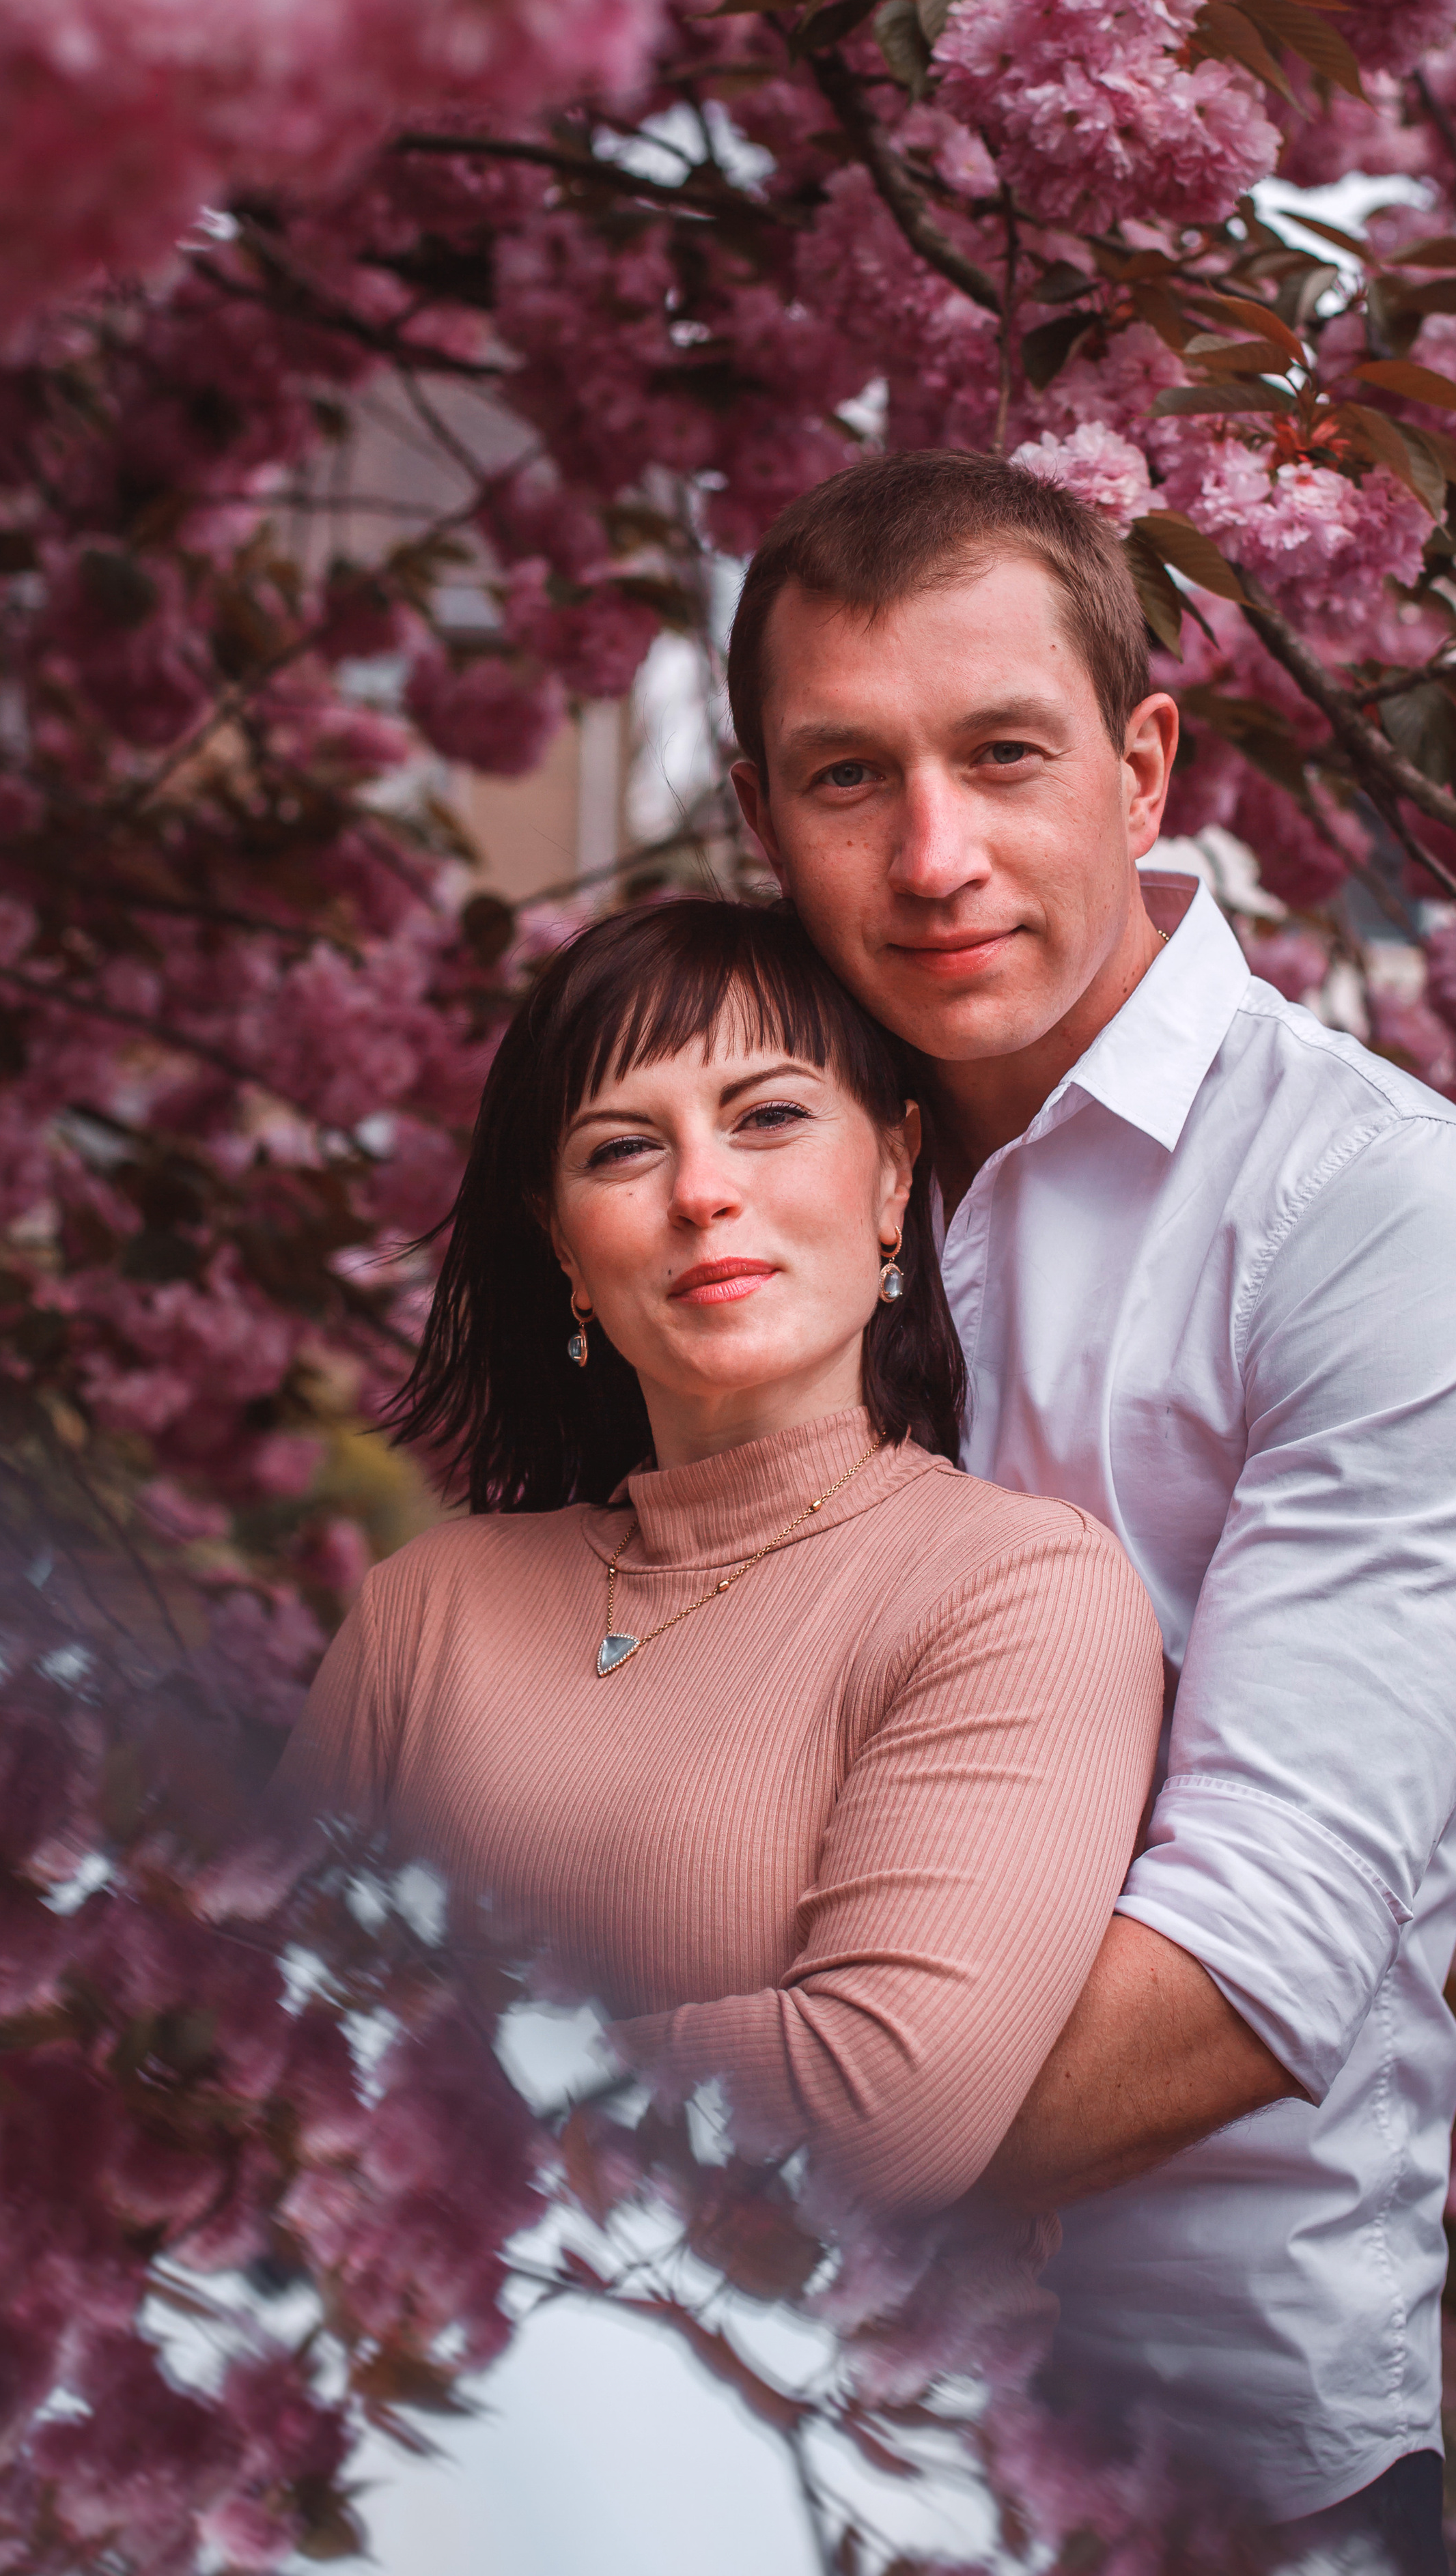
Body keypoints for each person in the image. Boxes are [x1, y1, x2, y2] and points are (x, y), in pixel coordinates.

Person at [725, 449, 1456, 2572]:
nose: (935, 857)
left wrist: (695, 2149)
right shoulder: (729, 1177)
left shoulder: (1370, 1210)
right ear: (764, 818)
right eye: (848, 778)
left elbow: (1252, 1962)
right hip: (749, 2443)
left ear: (1142, 766)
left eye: (1004, 754)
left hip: (1210, 2462)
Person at [271, 898, 1164, 2226]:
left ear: (887, 1171)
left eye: (766, 1117)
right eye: (624, 1148)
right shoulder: (428, 1607)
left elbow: (882, 2102)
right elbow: (256, 2029)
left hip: (740, 2414)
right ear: (567, 1244)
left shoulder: (1018, 1593)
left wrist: (409, 2073)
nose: (701, 1189)